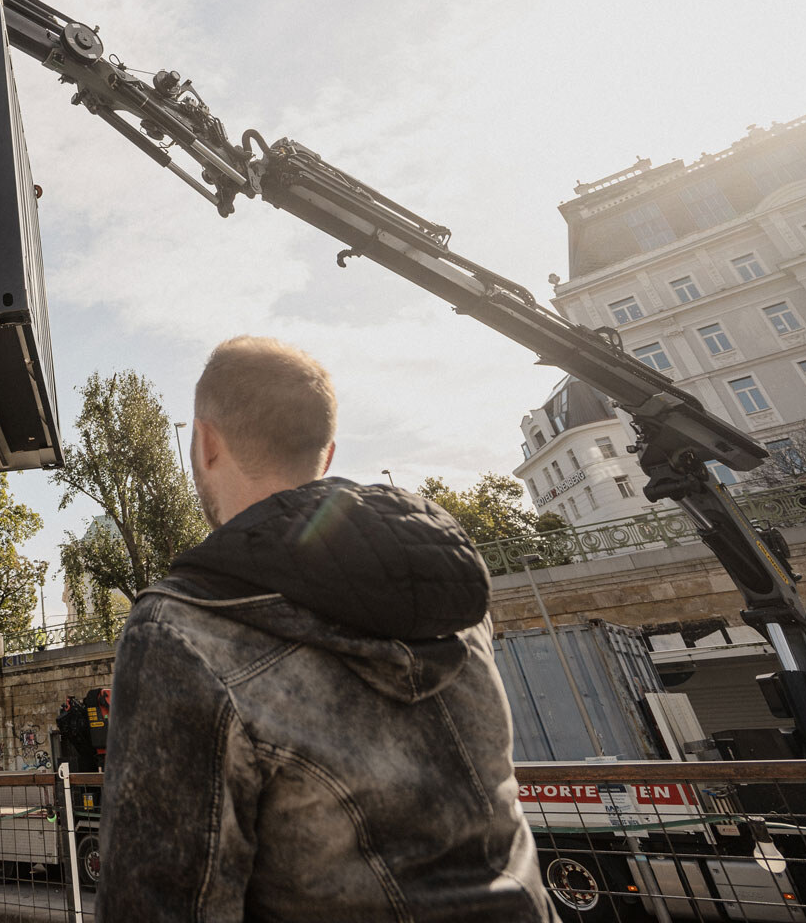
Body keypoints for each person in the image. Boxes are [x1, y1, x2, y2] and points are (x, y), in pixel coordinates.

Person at [98, 336, 553, 922]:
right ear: (327, 453)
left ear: (206, 442)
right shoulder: (452, 598)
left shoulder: (183, 631)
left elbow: (160, 904)